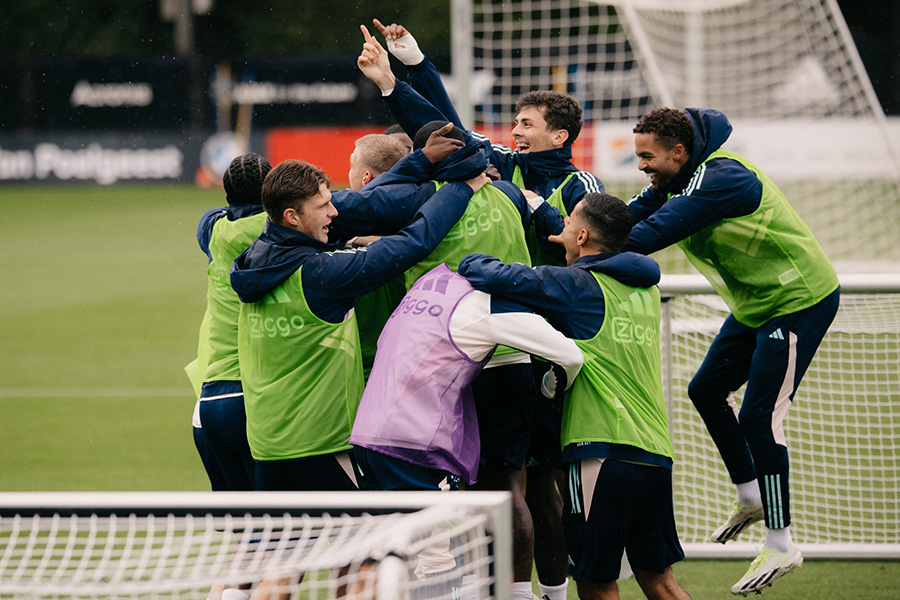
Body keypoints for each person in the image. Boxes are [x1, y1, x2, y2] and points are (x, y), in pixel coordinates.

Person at [623, 107, 841, 595]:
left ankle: (782, 541)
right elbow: (626, 216)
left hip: (798, 301)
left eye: (647, 156)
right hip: (757, 303)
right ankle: (751, 494)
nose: (641, 166)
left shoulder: (722, 179)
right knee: (706, 389)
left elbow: (645, 237)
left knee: (759, 418)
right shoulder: (675, 179)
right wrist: (571, 226)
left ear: (679, 152)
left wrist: (580, 247)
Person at [459, 193, 691, 600]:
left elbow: (493, 276)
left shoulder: (578, 285)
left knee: (597, 584)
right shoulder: (644, 289)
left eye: (567, 222)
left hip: (601, 452)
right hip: (655, 453)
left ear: (582, 235)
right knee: (661, 582)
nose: (560, 228)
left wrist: (467, 260)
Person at [229, 154, 489, 492]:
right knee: (370, 543)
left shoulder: (255, 261)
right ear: (292, 216)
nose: (334, 213)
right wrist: (460, 190)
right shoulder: (320, 274)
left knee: (290, 546)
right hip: (322, 446)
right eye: (322, 206)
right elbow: (411, 245)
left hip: (268, 449)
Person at [185, 152, 272, 492]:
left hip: (209, 400)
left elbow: (209, 218)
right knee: (286, 527)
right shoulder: (280, 230)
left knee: (246, 529)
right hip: (259, 394)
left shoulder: (213, 230)